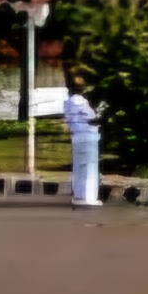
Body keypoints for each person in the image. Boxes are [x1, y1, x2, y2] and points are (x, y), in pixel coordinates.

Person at [62, 71, 102, 209]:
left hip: (76, 135)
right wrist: (98, 115)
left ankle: (78, 195)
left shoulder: (67, 102)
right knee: (89, 167)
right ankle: (89, 198)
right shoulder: (80, 101)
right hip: (88, 136)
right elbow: (91, 117)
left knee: (78, 167)